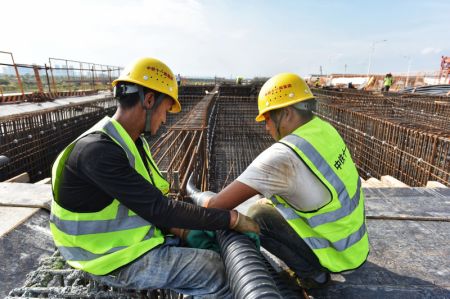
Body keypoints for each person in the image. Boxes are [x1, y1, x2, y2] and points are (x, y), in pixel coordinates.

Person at [49, 57, 259, 298]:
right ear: (149, 100)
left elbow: (148, 201)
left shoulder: (132, 143)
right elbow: (160, 208)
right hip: (106, 259)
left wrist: (182, 232)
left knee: (214, 260)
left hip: (127, 246)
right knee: (215, 271)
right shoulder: (97, 151)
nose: (165, 118)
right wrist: (230, 219)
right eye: (166, 109)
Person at [192, 73, 369, 289]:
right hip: (354, 246)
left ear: (286, 113)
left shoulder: (283, 157)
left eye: (267, 118)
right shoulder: (324, 129)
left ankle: (313, 275)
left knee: (258, 214)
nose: (266, 127)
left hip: (335, 255)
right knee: (266, 202)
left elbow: (216, 206)